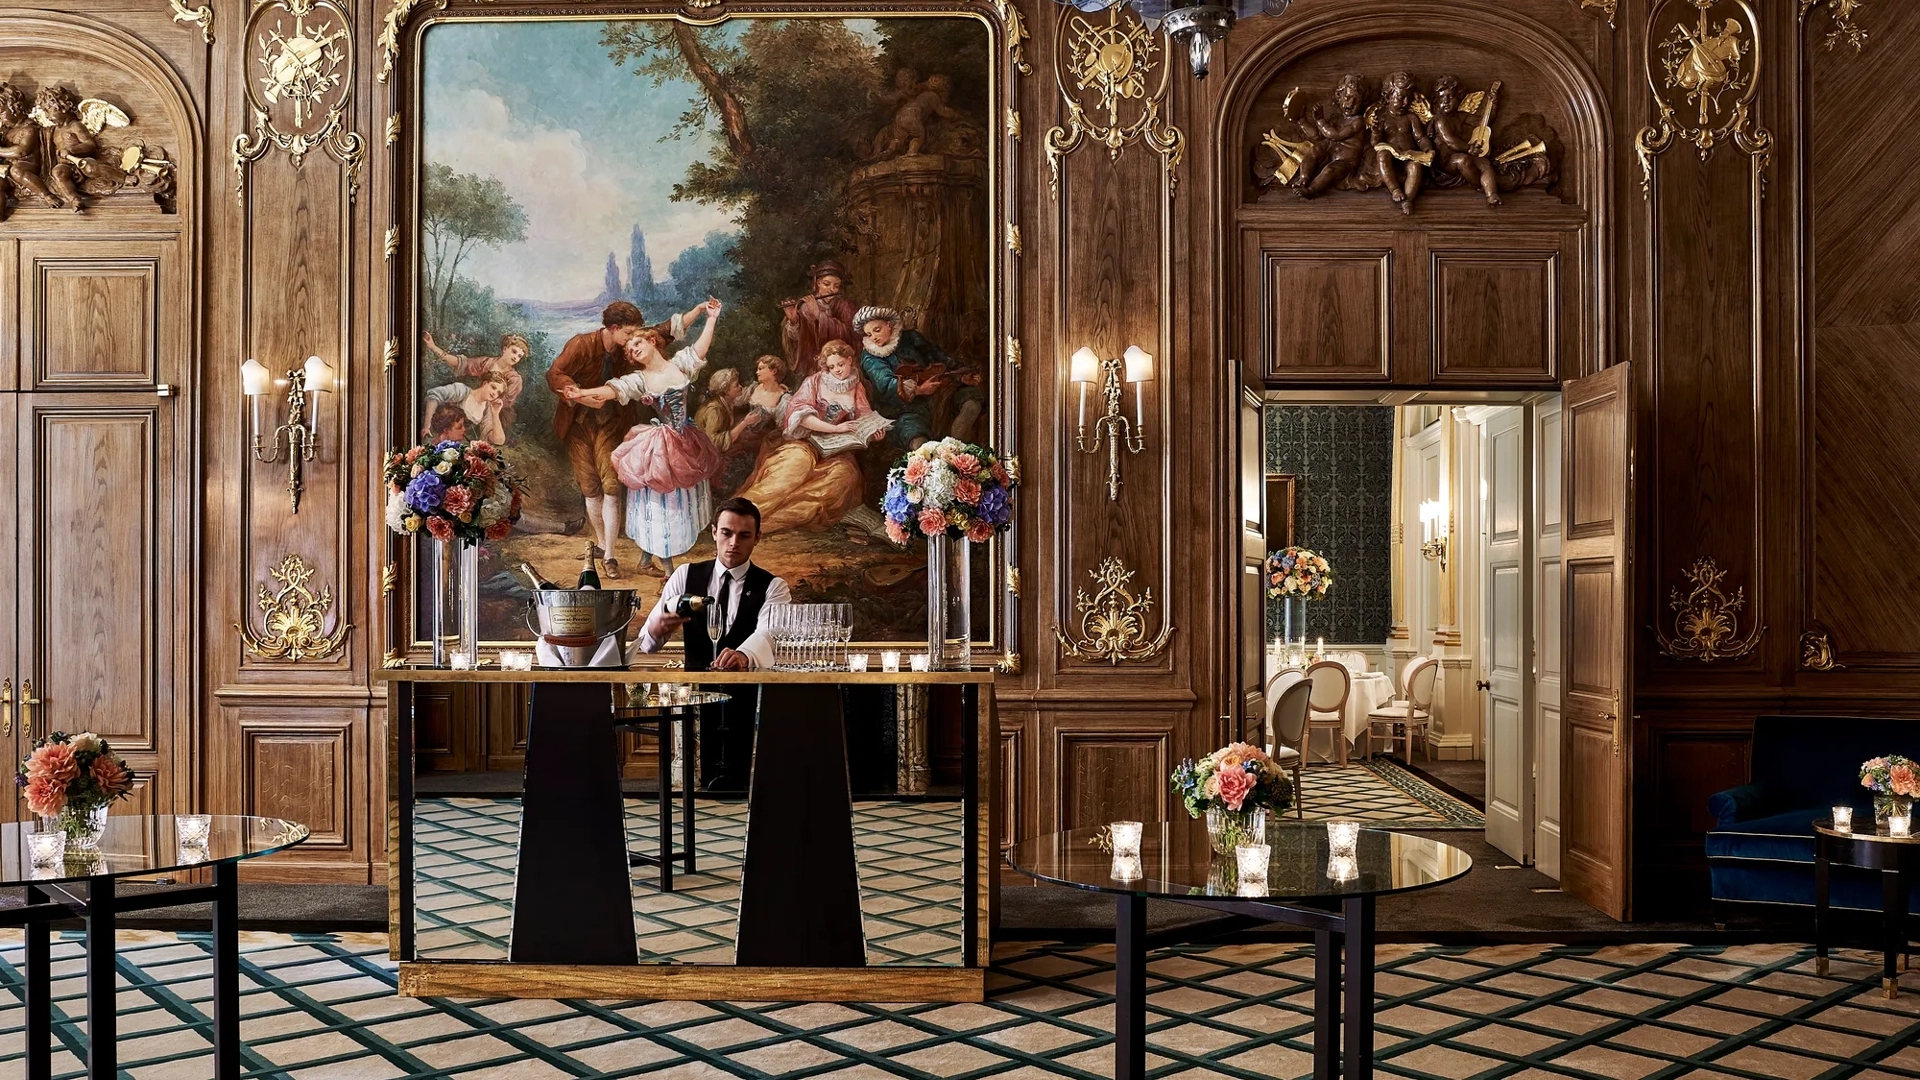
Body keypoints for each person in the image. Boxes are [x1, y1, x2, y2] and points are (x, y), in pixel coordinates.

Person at [634, 498, 793, 790]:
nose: (733, 542)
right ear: (714, 532)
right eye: (726, 533)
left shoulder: (774, 586)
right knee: (696, 793)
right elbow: (647, 644)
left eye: (744, 535)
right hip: (693, 704)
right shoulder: (685, 576)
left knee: (745, 788)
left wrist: (743, 655)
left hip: (748, 703)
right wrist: (656, 629)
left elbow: (771, 632)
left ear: (757, 538)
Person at [547, 299, 709, 578]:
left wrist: (699, 311)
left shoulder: (633, 345)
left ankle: (610, 555)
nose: (631, 342)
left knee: (611, 485)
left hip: (613, 421)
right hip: (579, 424)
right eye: (627, 335)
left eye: (636, 337)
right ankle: (601, 543)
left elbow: (667, 329)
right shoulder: (581, 344)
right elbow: (555, 374)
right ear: (613, 328)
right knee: (589, 487)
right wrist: (572, 389)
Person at [733, 340, 889, 533]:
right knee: (796, 466)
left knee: (844, 477)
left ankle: (766, 523)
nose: (837, 370)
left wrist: (874, 434)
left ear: (850, 361)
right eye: (832, 367)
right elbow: (802, 416)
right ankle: (739, 515)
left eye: (841, 364)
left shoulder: (857, 387)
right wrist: (836, 429)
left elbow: (864, 418)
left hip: (834, 450)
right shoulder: (814, 382)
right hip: (804, 441)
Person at [855, 306, 984, 449]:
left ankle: (958, 448)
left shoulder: (910, 337)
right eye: (869, 334)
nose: (874, 337)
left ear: (889, 324)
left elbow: (938, 357)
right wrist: (919, 390)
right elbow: (885, 383)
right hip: (901, 407)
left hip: (938, 389)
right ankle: (934, 462)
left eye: (877, 330)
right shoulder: (870, 356)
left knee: (971, 401)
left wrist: (960, 376)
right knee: (915, 436)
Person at [422, 331, 530, 430]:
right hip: (476, 400)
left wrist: (483, 402)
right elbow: (459, 363)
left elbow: (503, 403)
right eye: (514, 351)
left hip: (495, 413)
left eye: (519, 356)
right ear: (505, 349)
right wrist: (433, 347)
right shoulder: (487, 362)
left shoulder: (515, 379)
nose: (515, 357)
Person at [696, 366, 772, 497]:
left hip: (716, 450)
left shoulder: (726, 402)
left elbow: (745, 396)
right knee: (750, 452)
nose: (741, 387)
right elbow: (713, 443)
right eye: (736, 385)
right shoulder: (715, 410)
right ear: (725, 391)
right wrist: (745, 423)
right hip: (706, 456)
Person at [779, 261, 860, 381]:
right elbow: (802, 340)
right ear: (818, 284)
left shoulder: (845, 307)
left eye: (836, 286)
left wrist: (819, 315)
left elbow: (850, 335)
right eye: (826, 284)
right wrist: (794, 321)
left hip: (840, 365)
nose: (832, 290)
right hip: (814, 366)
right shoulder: (805, 307)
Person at [423, 371, 508, 444]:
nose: (494, 393)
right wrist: (427, 426)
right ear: (485, 383)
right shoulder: (462, 391)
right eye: (493, 387)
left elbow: (499, 440)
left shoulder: (486, 410)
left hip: (462, 447)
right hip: (442, 440)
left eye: (498, 393)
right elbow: (434, 395)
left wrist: (495, 414)